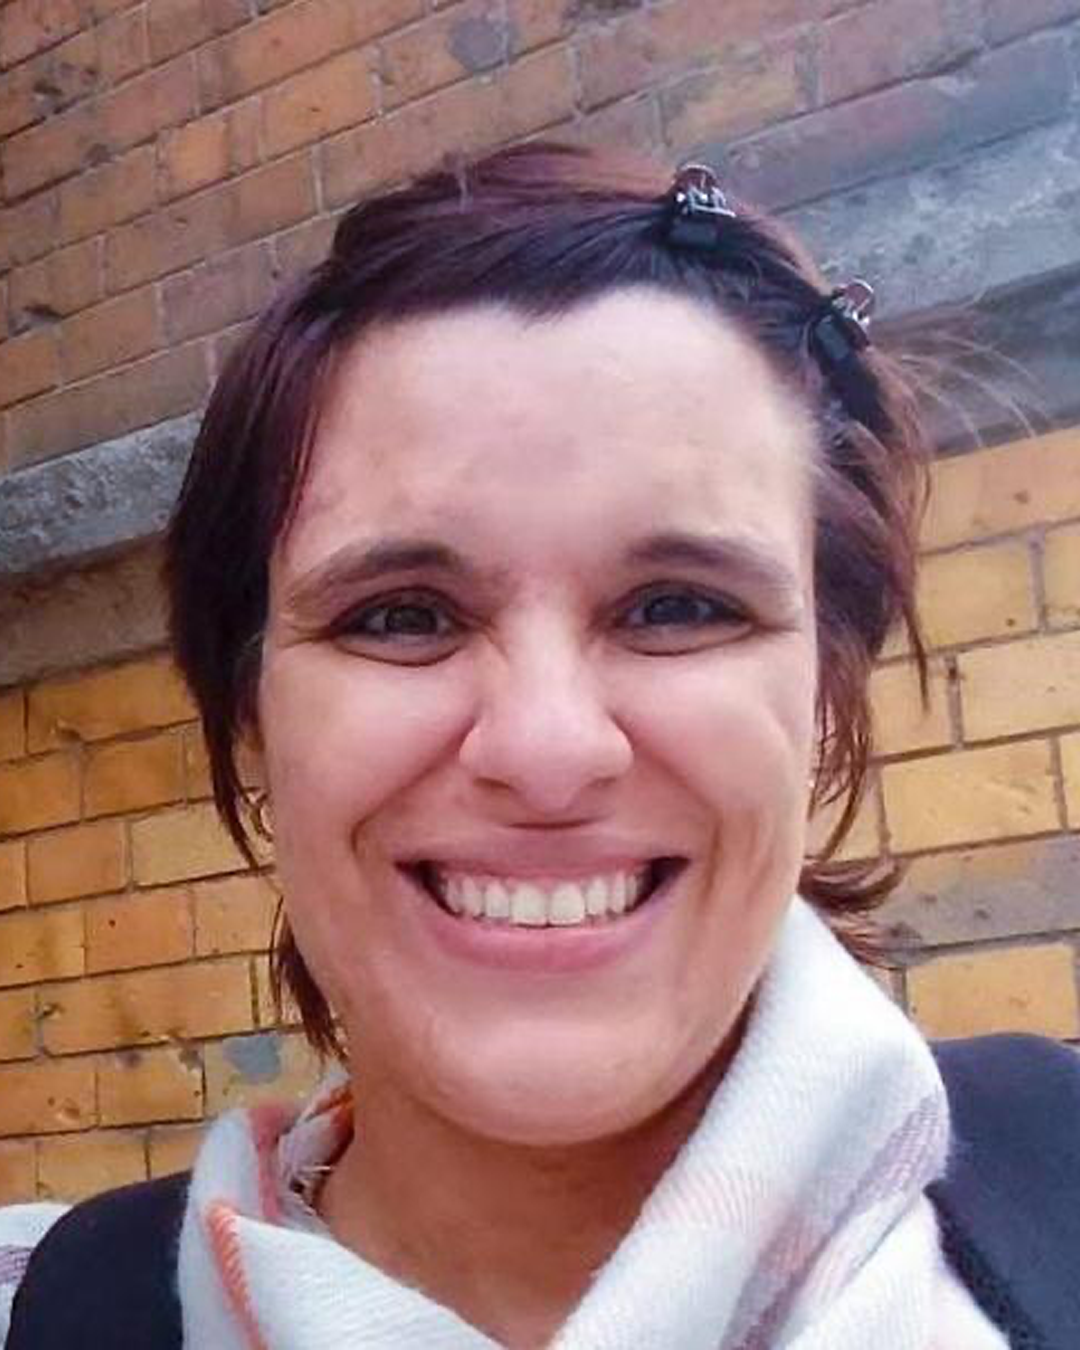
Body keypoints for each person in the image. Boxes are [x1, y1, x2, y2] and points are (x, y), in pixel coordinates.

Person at [0, 143, 1075, 1349]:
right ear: (253, 718)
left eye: (679, 606)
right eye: (401, 616)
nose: (548, 748)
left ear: (824, 690)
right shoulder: (73, 1310)